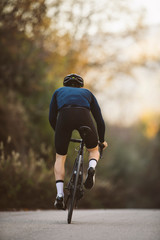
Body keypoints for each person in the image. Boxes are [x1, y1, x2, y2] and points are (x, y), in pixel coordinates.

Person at [49, 73, 108, 209]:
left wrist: (59, 133)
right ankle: (91, 168)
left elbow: (52, 117)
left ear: (65, 85)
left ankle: (59, 195)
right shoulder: (87, 93)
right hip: (84, 117)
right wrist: (102, 141)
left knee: (60, 157)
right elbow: (99, 120)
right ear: (81, 86)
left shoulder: (58, 92)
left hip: (64, 118)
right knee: (93, 150)